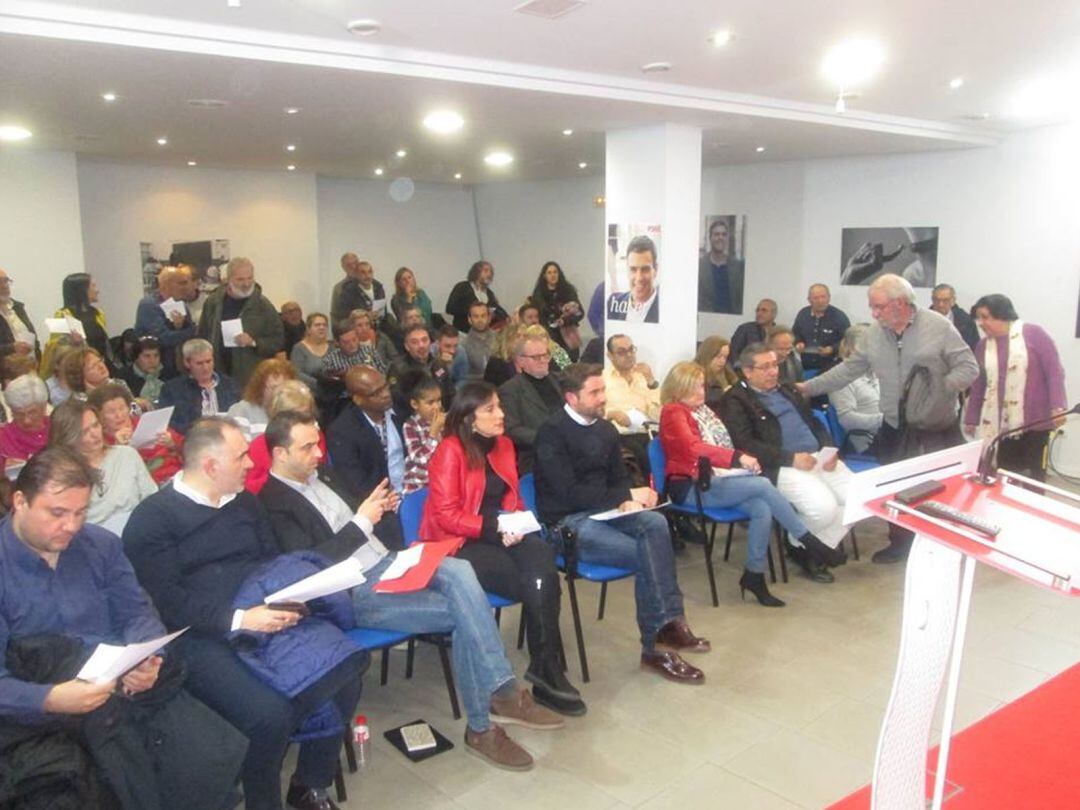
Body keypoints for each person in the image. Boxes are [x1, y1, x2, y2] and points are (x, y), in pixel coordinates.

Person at [261, 411, 563, 769]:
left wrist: (378, 509)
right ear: (279, 454)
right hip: (353, 589)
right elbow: (311, 564)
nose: (319, 454)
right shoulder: (272, 502)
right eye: (307, 447)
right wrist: (362, 522)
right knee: (470, 608)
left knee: (461, 570)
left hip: (388, 559)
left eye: (318, 444)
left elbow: (363, 517)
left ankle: (499, 699)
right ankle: (488, 716)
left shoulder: (321, 474)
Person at [123, 417, 366, 810]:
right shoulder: (153, 520)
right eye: (240, 458)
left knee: (345, 672)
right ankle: (261, 800)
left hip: (263, 610)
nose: (251, 465)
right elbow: (168, 603)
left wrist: (290, 596)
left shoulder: (245, 502)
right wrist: (242, 619)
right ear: (210, 466)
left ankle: (308, 785)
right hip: (199, 634)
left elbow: (270, 562)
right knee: (268, 715)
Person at [0, 448, 246, 810]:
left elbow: (136, 613)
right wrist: (50, 699)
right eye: (57, 513)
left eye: (80, 513)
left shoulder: (99, 545)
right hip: (38, 713)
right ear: (20, 501)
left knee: (209, 758)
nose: (71, 525)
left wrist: (149, 655)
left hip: (120, 690)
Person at [535, 363, 710, 682]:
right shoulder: (551, 432)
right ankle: (657, 644)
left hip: (605, 512)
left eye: (603, 390)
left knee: (656, 526)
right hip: (567, 523)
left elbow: (616, 476)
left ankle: (668, 626)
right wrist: (624, 493)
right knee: (645, 553)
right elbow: (568, 493)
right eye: (595, 392)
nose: (603, 398)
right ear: (572, 398)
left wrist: (627, 500)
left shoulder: (604, 428)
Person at [421, 382, 586, 715]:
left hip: (500, 531)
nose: (501, 414)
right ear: (469, 418)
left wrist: (517, 523)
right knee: (536, 581)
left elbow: (512, 497)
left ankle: (545, 665)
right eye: (491, 409)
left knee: (541, 559)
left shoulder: (504, 446)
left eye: (500, 406)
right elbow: (446, 515)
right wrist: (496, 528)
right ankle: (547, 668)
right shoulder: (450, 451)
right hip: (459, 542)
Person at [799, 274, 979, 563]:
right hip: (895, 425)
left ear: (900, 303)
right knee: (897, 487)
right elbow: (847, 370)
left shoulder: (938, 326)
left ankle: (939, 541)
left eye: (878, 306)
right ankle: (900, 542)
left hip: (936, 426)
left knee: (939, 487)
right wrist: (808, 388)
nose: (874, 313)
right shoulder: (874, 334)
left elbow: (968, 367)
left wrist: (941, 390)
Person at [662, 361, 833, 596]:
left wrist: (736, 461)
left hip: (717, 479)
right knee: (762, 485)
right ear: (677, 389)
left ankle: (754, 575)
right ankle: (810, 542)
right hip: (690, 485)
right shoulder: (673, 411)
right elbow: (694, 448)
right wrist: (738, 458)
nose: (700, 392)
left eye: (702, 386)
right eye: (692, 388)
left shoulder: (704, 411)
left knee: (761, 507)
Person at [720, 345, 852, 578]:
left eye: (775, 365)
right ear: (748, 372)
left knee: (860, 502)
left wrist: (830, 449)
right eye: (765, 367)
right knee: (824, 510)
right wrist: (790, 458)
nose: (773, 372)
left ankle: (801, 544)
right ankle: (808, 550)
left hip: (818, 458)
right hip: (780, 466)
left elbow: (815, 423)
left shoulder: (788, 390)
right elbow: (745, 443)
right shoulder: (736, 400)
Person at [964, 294, 1067, 482]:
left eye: (985, 317)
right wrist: (971, 418)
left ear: (1002, 314)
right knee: (1004, 475)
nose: (981, 323)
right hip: (999, 426)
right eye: (979, 318)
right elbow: (978, 385)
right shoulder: (983, 346)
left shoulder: (1034, 334)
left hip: (1035, 423)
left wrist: (1058, 406)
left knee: (1033, 476)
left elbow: (1055, 373)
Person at [326, 365, 405, 549]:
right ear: (358, 399)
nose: (386, 394)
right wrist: (388, 500)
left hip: (413, 486)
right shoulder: (342, 432)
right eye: (376, 393)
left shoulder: (400, 406)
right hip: (380, 501)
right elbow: (356, 484)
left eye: (385, 386)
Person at [48, 399, 157, 530]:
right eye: (84, 432)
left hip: (140, 531)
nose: (94, 434)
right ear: (68, 439)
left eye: (95, 425)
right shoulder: (61, 475)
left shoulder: (127, 455)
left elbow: (152, 499)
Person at [197, 257, 284, 389]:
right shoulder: (213, 302)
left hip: (249, 377)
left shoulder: (263, 306)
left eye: (249, 278)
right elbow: (202, 334)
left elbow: (278, 340)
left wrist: (254, 342)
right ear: (229, 279)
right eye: (240, 279)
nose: (246, 284)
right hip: (217, 373)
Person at [88, 382, 184, 486]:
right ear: (99, 416)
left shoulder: (148, 421)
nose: (119, 415)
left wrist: (172, 443)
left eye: (122, 408)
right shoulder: (99, 441)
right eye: (111, 412)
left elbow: (187, 446)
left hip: (179, 475)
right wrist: (118, 449)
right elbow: (108, 479)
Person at [498, 330, 563, 474]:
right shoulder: (510, 389)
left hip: (569, 451)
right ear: (521, 361)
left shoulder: (560, 380)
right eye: (536, 357)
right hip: (537, 457)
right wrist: (548, 438)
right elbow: (511, 429)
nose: (542, 360)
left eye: (545, 355)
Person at [158, 338, 241, 433]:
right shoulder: (172, 390)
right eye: (199, 363)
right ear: (187, 363)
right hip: (192, 441)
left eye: (208, 361)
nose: (205, 368)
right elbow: (169, 424)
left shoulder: (230, 385)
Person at [42, 273, 114, 375]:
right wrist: (71, 342)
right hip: (78, 370)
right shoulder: (61, 315)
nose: (97, 290)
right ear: (82, 290)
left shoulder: (98, 313)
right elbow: (54, 347)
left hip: (100, 366)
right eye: (93, 286)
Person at [134, 264, 197, 379]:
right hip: (157, 373)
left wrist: (182, 329)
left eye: (186, 282)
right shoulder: (149, 305)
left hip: (180, 369)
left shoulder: (181, 304)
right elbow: (164, 339)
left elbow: (191, 336)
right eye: (181, 283)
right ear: (165, 285)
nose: (186, 287)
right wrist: (189, 330)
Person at [827, 325, 882, 454]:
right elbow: (847, 419)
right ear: (851, 349)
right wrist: (883, 421)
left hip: (891, 434)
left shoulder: (876, 372)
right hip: (870, 441)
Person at [389, 323, 454, 413]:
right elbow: (397, 401)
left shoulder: (439, 364)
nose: (421, 345)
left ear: (430, 343)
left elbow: (450, 393)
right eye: (415, 342)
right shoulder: (399, 369)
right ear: (407, 346)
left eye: (424, 340)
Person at [226, 357, 297, 438]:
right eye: (274, 388)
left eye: (284, 388)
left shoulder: (296, 411)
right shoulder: (241, 410)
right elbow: (240, 448)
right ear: (260, 387)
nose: (279, 393)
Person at [603, 333, 660, 427]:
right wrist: (611, 414)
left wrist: (651, 381)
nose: (629, 355)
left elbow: (658, 416)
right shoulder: (602, 378)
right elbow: (592, 411)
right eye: (622, 352)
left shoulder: (643, 376)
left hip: (645, 432)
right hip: (616, 433)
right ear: (610, 356)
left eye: (631, 350)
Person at [530, 261, 583, 359]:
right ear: (544, 276)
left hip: (568, 336)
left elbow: (580, 313)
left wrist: (565, 321)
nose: (552, 275)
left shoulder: (568, 290)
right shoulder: (539, 294)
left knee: (569, 368)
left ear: (559, 274)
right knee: (555, 368)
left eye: (555, 272)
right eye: (549, 273)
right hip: (549, 338)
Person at [792, 284, 850, 372]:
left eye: (823, 297)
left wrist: (832, 349)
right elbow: (794, 334)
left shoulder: (839, 317)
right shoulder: (803, 314)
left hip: (831, 367)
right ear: (809, 300)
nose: (820, 301)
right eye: (816, 298)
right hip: (804, 366)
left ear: (829, 298)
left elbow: (848, 340)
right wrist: (798, 343)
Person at [402, 375, 444, 494]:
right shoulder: (410, 426)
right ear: (415, 404)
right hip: (419, 485)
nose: (437, 406)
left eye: (439, 400)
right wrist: (433, 434)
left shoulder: (445, 421)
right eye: (430, 403)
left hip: (442, 481)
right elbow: (420, 459)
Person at [0, 374, 51, 469]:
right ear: (11, 411)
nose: (26, 421)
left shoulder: (58, 430)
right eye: (19, 414)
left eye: (32, 412)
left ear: (44, 407)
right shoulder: (3, 438)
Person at [697, 217, 745, 314]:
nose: (720, 238)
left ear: (727, 238)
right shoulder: (699, 266)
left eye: (724, 235)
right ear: (710, 238)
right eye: (716, 234)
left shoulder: (738, 267)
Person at [607, 234, 659, 323]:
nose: (639, 278)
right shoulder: (613, 303)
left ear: (656, 270)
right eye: (633, 269)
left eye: (645, 269)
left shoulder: (666, 308)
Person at [446, 261, 505, 332]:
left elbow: (496, 308)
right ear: (476, 272)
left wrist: (498, 314)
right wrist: (473, 311)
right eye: (486, 271)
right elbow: (450, 308)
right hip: (464, 332)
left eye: (491, 272)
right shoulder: (462, 287)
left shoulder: (489, 293)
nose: (489, 274)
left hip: (483, 333)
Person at [331, 253, 386, 326]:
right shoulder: (340, 288)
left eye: (355, 263)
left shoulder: (377, 286)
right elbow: (336, 315)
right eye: (349, 265)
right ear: (343, 267)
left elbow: (382, 311)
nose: (353, 267)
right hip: (352, 328)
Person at [0, 266, 39, 361]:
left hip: (29, 366)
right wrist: (11, 348)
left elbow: (33, 337)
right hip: (5, 371)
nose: (5, 286)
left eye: (6, 281)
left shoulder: (17, 307)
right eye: (0, 282)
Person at [117, 335, 166, 407]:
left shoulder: (167, 374)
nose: (152, 361)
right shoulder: (123, 377)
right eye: (147, 356)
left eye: (156, 355)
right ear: (136, 357)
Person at [694, 336, 738, 413]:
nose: (722, 361)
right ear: (708, 355)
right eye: (719, 356)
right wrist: (724, 393)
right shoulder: (695, 374)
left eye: (725, 357)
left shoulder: (729, 374)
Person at [930, 283, 980, 350]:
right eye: (937, 300)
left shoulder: (966, 321)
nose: (940, 304)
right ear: (932, 300)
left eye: (945, 300)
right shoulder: (923, 320)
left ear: (953, 301)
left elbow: (975, 347)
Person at [290, 312, 332, 390]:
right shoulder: (299, 349)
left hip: (333, 390)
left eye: (324, 325)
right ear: (308, 329)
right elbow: (297, 374)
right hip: (309, 391)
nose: (322, 327)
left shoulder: (333, 347)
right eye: (317, 325)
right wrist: (320, 385)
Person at [729, 298, 778, 363]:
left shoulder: (778, 333)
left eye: (764, 310)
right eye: (757, 310)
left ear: (773, 314)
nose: (759, 313)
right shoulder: (744, 329)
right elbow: (733, 353)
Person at [461, 301, 497, 380]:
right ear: (469, 319)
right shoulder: (463, 345)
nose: (480, 320)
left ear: (489, 318)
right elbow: (462, 375)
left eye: (483, 316)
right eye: (476, 316)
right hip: (473, 387)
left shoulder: (499, 339)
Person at [483, 321, 523, 388]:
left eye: (524, 336)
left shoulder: (527, 359)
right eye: (518, 336)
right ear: (508, 339)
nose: (522, 339)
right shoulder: (495, 362)